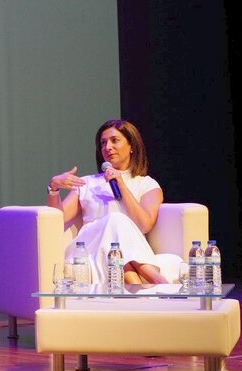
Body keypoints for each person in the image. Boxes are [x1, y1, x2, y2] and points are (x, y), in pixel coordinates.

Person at [46, 118, 168, 284]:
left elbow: (144, 225)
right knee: (115, 219)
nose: (107, 147)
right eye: (103, 143)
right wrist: (54, 188)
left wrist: (121, 185)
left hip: (119, 254)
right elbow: (56, 221)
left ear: (132, 146)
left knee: (117, 253)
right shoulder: (87, 183)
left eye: (114, 140)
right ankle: (159, 281)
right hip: (89, 248)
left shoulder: (147, 184)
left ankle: (138, 289)